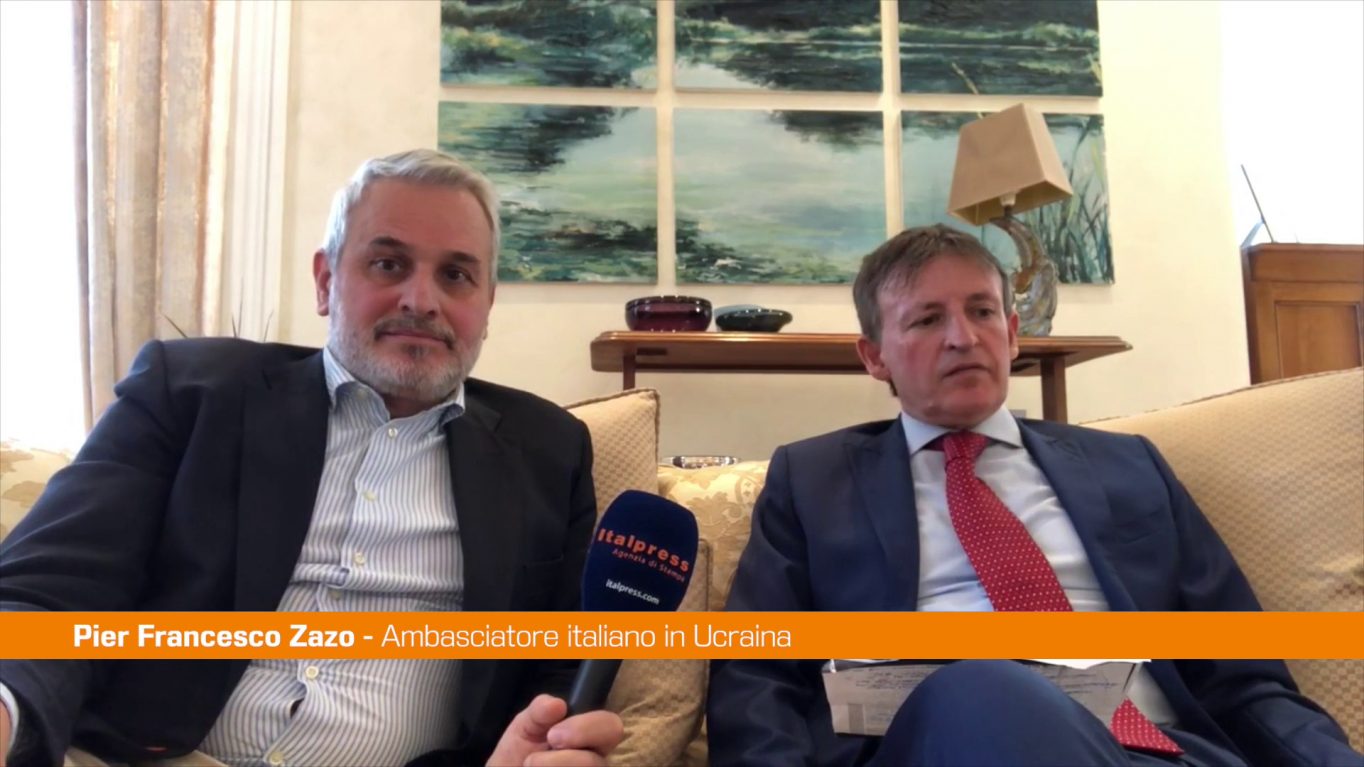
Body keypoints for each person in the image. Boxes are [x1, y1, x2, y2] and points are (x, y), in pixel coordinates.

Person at [0, 149, 622, 767]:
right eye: (388, 264)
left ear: (487, 304)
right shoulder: (190, 392)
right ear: (326, 281)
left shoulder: (549, 449)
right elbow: (52, 590)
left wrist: (546, 745)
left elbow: (561, 660)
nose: (421, 300)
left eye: (456, 275)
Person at [707, 225, 1361, 766]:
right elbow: (757, 676)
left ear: (1013, 332)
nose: (964, 337)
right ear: (874, 356)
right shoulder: (814, 479)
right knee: (982, 684)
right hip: (944, 738)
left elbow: (1245, 674)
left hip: (1159, 750)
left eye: (982, 311)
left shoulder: (1130, 465)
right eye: (928, 319)